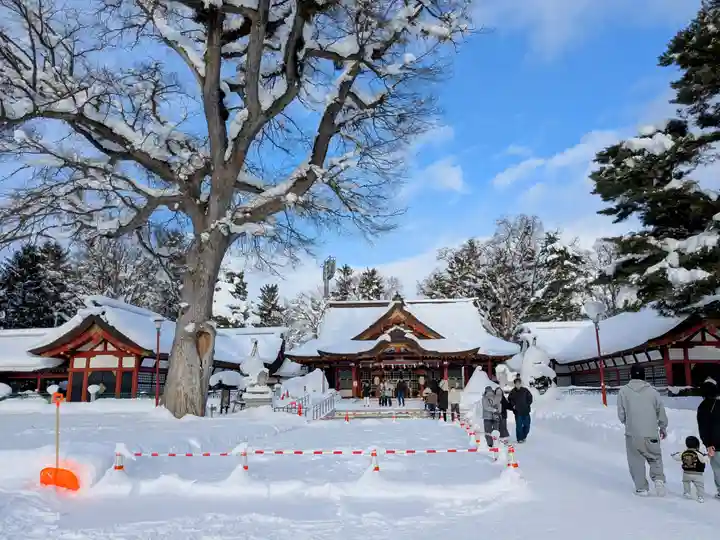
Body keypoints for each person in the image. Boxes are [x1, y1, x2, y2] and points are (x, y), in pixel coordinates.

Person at [617, 364, 668, 496]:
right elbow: (660, 410)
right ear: (644, 376)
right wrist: (663, 426)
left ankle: (641, 488)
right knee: (655, 457)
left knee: (636, 460)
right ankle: (658, 480)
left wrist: (628, 423)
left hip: (632, 433)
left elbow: (621, 414)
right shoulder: (653, 391)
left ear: (630, 375)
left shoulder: (623, 391)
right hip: (651, 432)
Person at [697, 376, 720, 500]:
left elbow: (704, 428)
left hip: (715, 443)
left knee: (718, 468)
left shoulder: (703, 407)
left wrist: (707, 443)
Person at [671, 435, 708, 503]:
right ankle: (700, 497)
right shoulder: (698, 454)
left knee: (686, 482)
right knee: (699, 485)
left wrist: (673, 455)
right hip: (698, 474)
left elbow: (677, 457)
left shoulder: (683, 453)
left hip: (686, 473)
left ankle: (687, 492)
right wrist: (707, 456)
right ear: (697, 446)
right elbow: (703, 460)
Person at [508, 378, 533, 443]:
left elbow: (530, 397)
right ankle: (519, 439)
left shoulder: (525, 390)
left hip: (526, 411)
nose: (518, 384)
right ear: (515, 384)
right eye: (516, 383)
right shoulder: (512, 392)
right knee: (519, 426)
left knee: (527, 425)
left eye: (519, 383)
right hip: (518, 412)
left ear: (520, 383)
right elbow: (510, 399)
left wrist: (527, 404)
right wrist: (513, 405)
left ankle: (524, 436)